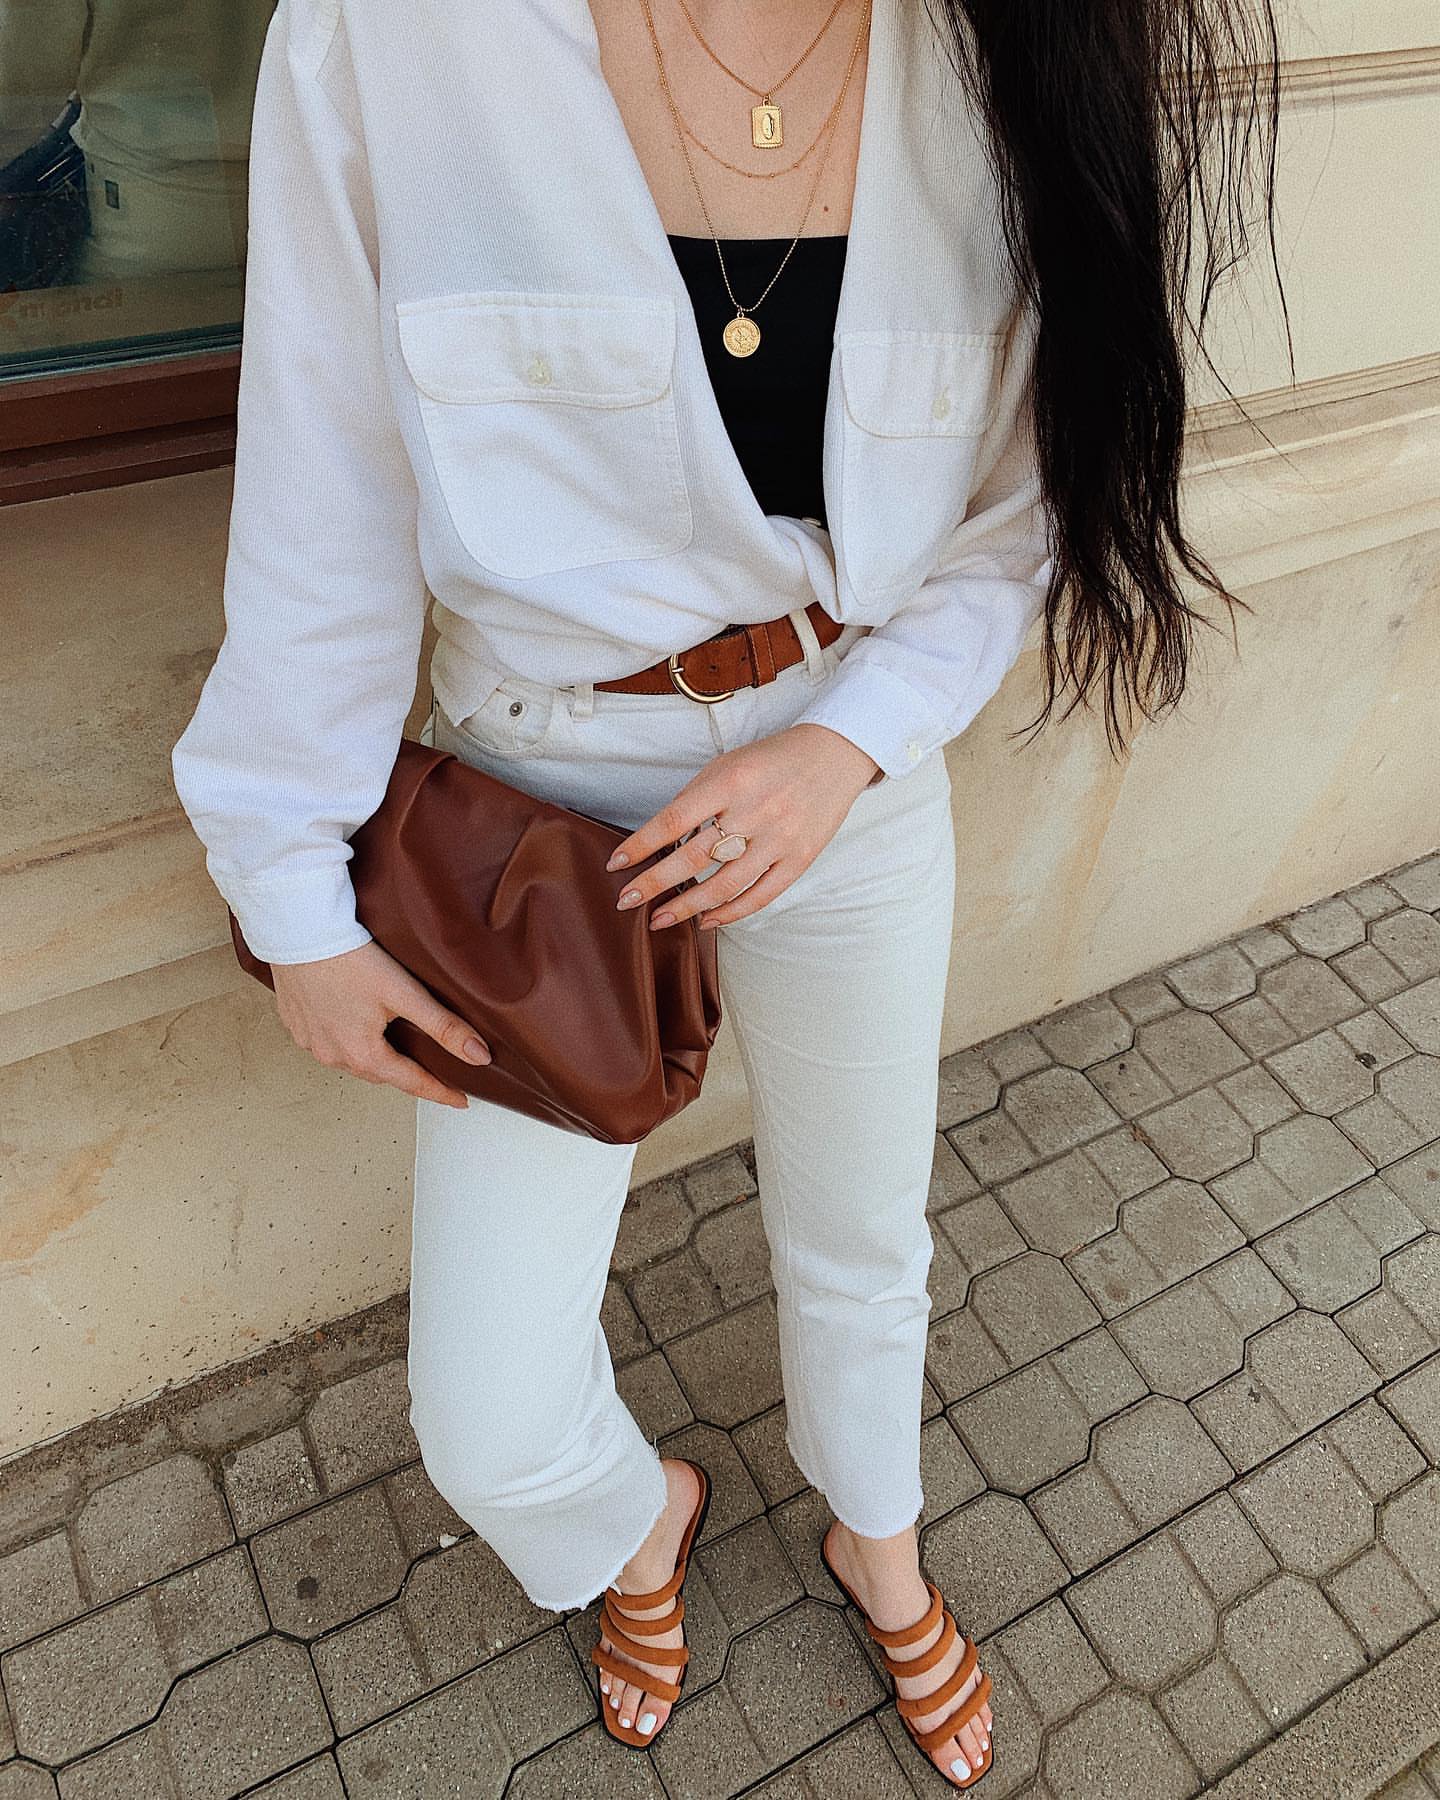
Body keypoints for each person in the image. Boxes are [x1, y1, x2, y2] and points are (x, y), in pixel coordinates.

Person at [169, 0, 1285, 1785]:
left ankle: (878, 1542)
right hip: (542, 804)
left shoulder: (1016, 45)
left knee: (864, 1234)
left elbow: (1020, 506)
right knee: (486, 1414)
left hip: (848, 758)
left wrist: (846, 744)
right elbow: (326, 477)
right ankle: (634, 1522)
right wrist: (288, 887)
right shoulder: (396, 34)